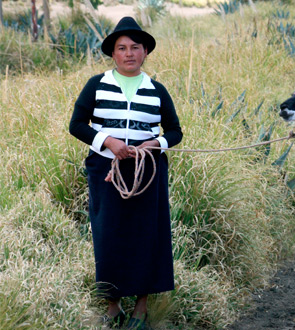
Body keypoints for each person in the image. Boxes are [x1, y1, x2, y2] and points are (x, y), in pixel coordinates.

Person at [69, 16, 182, 330]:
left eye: (135, 47)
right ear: (113, 53)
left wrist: (155, 143)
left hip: (147, 170)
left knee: (147, 235)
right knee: (109, 234)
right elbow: (76, 125)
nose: (129, 53)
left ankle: (141, 309)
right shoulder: (97, 85)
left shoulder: (156, 90)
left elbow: (174, 131)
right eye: (122, 48)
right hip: (106, 169)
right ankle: (113, 305)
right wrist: (108, 141)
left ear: (145, 52)